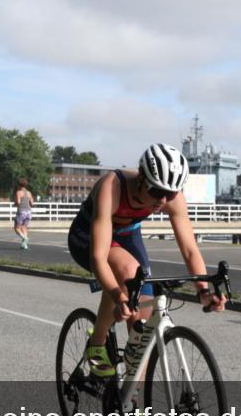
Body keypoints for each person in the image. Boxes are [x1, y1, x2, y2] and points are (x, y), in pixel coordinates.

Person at [67, 143, 227, 388]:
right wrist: (118, 296)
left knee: (141, 327)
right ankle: (97, 346)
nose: (163, 200)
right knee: (128, 274)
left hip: (128, 236)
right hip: (88, 236)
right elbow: (100, 258)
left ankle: (135, 405)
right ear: (141, 178)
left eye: (170, 194)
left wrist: (203, 291)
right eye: (157, 191)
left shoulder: (170, 196)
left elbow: (189, 249)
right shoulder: (113, 186)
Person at [14, 178, 34, 250]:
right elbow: (32, 203)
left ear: (19, 185)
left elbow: (18, 202)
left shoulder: (18, 192)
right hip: (29, 212)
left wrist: (15, 203)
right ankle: (24, 245)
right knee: (24, 228)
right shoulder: (29, 193)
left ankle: (25, 238)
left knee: (17, 228)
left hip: (22, 211)